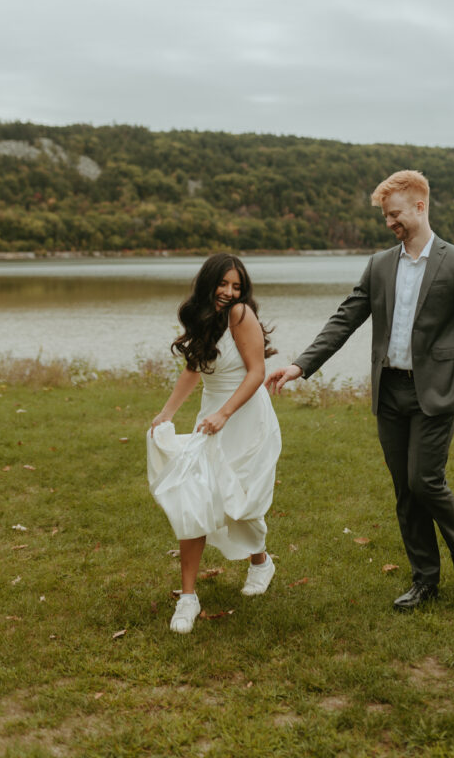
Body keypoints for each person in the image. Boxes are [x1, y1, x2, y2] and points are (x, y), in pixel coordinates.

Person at [266, 170, 454, 611]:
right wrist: (300, 365)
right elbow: (345, 319)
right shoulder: (379, 265)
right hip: (390, 394)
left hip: (435, 394)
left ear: (420, 206)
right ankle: (425, 579)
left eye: (395, 214)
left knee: (425, 482)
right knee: (405, 492)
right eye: (386, 216)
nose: (390, 222)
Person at [147, 253, 281, 633]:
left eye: (236, 286)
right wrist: (167, 413)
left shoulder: (240, 315)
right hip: (212, 417)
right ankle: (188, 598)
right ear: (208, 283)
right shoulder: (203, 317)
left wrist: (224, 414)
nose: (229, 292)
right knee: (196, 497)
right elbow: (194, 367)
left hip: (246, 417)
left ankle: (260, 562)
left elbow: (257, 373)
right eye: (223, 284)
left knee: (241, 501)